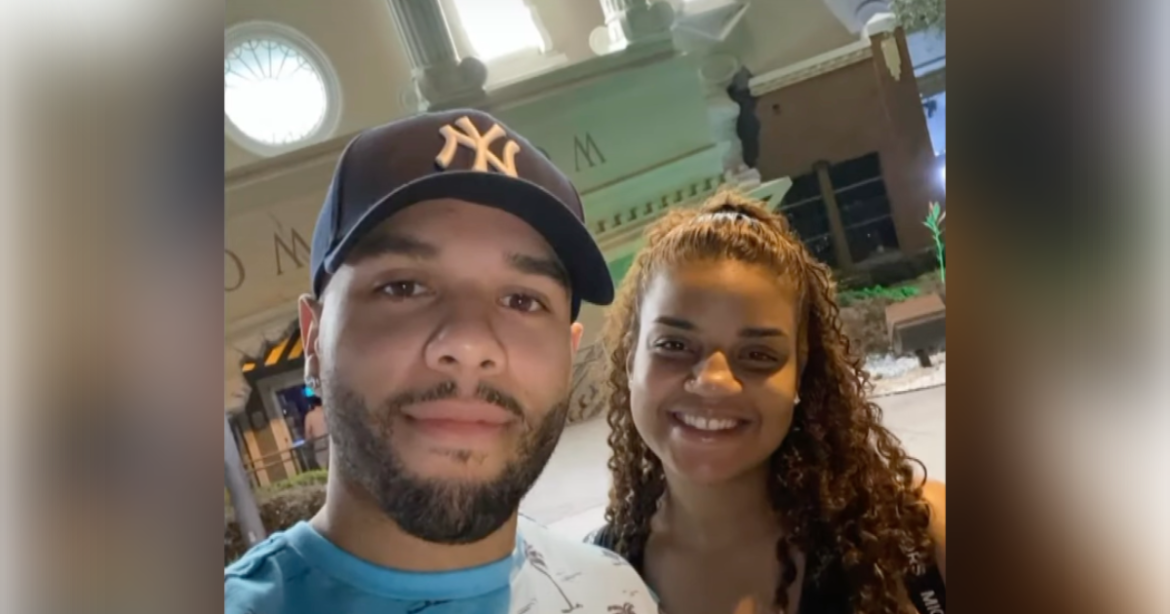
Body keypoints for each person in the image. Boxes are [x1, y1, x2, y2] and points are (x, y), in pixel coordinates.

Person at [225, 110, 659, 614]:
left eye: (522, 300)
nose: (470, 342)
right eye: (403, 287)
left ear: (569, 350)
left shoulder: (618, 594)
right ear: (315, 338)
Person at [588, 191, 947, 614]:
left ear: (800, 372)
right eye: (674, 345)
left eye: (758, 355)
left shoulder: (917, 537)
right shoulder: (588, 587)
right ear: (631, 358)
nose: (714, 382)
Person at [301, 396, 329, 470]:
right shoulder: (327, 412)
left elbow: (308, 432)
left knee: (322, 462)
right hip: (330, 438)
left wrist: (308, 442)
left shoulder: (310, 416)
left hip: (318, 441)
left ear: (313, 405)